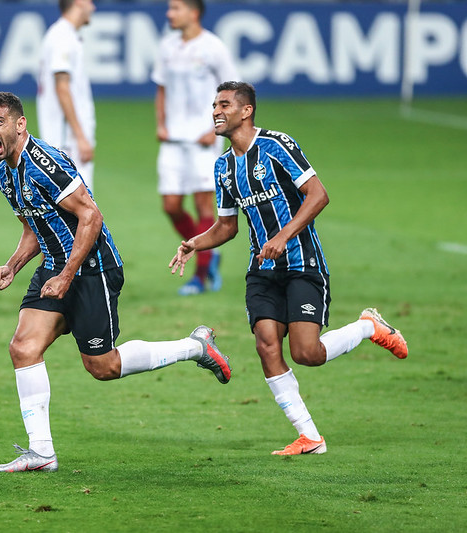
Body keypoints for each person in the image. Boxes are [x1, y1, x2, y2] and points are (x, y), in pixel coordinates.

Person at [0, 91, 232, 472]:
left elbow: (91, 217)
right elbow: (34, 226)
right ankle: (42, 453)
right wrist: (12, 266)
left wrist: (68, 275)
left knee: (103, 366)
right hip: (55, 267)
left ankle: (195, 347)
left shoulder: (44, 165)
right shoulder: (5, 174)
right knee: (23, 348)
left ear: (20, 124)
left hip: (93, 268)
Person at [169, 81, 408, 455]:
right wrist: (194, 243)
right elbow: (228, 226)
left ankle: (368, 327)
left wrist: (283, 236)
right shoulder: (223, 167)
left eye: (225, 104)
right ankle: (309, 436)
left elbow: (318, 194)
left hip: (301, 263)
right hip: (261, 270)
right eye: (214, 105)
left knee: (306, 353)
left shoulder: (277, 146)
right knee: (266, 345)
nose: (216, 111)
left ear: (246, 111)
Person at [152, 0, 239, 296]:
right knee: (171, 205)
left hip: (204, 139)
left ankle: (200, 275)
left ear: (194, 12)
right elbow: (161, 88)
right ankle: (209, 252)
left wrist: (214, 128)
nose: (169, 13)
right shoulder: (167, 47)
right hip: (173, 139)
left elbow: (233, 92)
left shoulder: (213, 47)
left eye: (175, 8)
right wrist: (161, 123)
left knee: (204, 205)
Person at [37, 0, 97, 191]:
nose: (93, 7)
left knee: (74, 208)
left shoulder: (63, 35)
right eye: (90, 2)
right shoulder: (63, 37)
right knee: (82, 208)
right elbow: (62, 87)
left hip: (65, 137)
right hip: (66, 139)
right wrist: (80, 136)